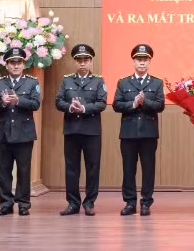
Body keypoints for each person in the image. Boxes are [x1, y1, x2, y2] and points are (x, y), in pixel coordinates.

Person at [113, 44, 165, 216]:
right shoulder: (123, 82)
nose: (142, 63)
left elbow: (160, 105)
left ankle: (146, 203)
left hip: (149, 133)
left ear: (149, 62)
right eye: (139, 59)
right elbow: (116, 105)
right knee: (128, 169)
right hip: (128, 133)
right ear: (133, 61)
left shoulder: (157, 82)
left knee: (148, 169)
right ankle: (130, 202)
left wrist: (145, 102)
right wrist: (134, 104)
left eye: (145, 60)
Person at [56, 44, 107, 217]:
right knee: (71, 168)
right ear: (75, 62)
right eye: (79, 60)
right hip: (72, 130)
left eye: (86, 60)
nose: (83, 63)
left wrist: (84, 108)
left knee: (93, 168)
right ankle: (73, 203)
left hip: (91, 131)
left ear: (91, 61)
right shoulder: (67, 80)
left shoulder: (98, 81)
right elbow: (58, 101)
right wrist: (70, 107)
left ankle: (89, 202)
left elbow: (101, 103)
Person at [0, 47, 41, 216]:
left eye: (19, 62)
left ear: (24, 64)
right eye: (12, 62)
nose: (16, 66)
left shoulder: (32, 82)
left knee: (24, 171)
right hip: (4, 133)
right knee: (3, 171)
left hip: (24, 134)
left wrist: (18, 100)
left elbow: (36, 104)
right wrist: (2, 103)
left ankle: (24, 204)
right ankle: (6, 204)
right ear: (7, 65)